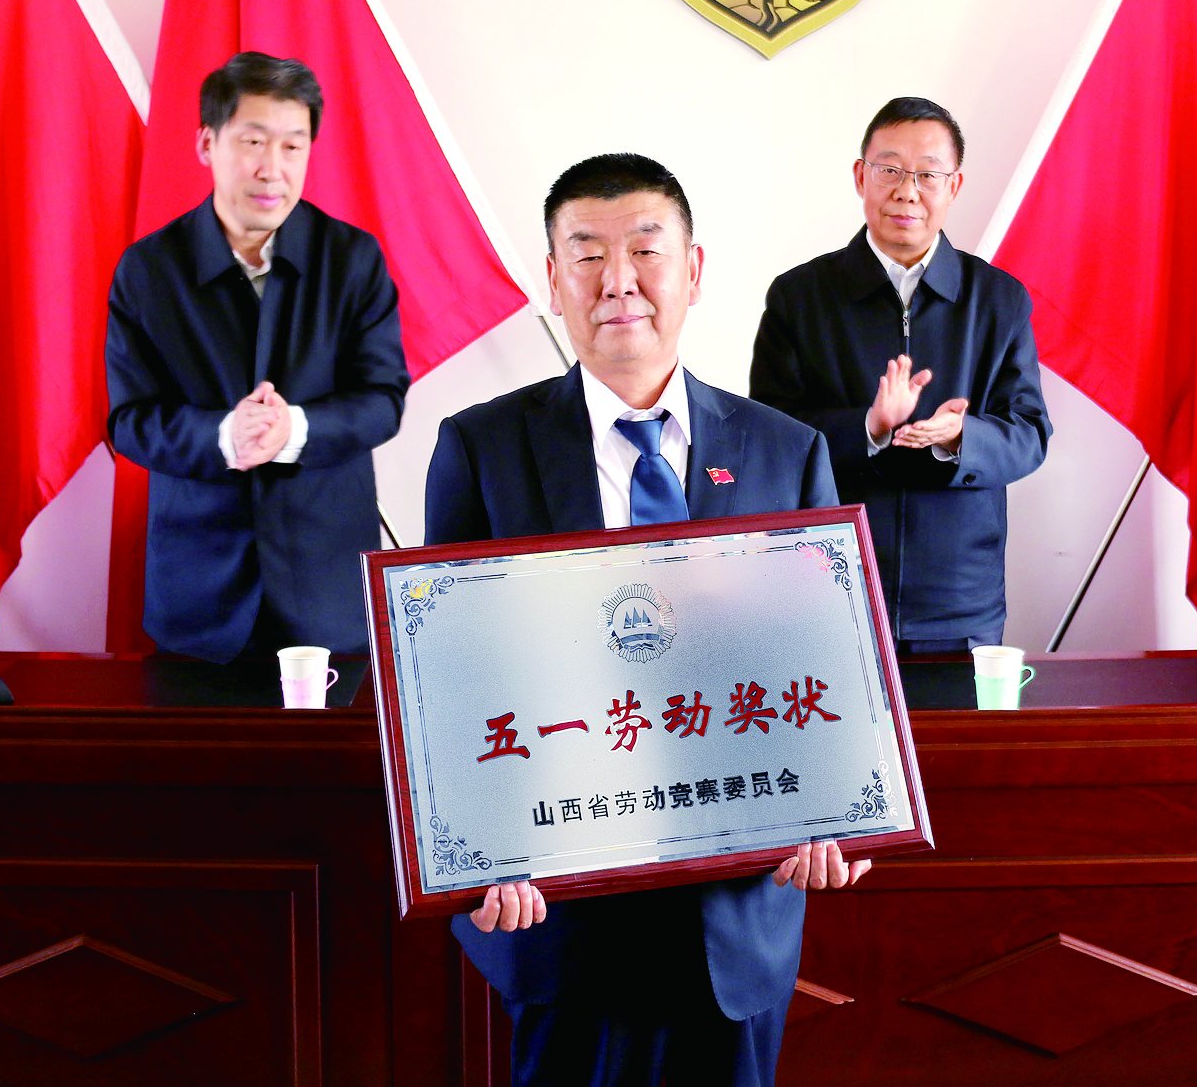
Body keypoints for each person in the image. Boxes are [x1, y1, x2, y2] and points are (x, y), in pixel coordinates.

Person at [427, 153, 865, 1087]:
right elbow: (451, 678)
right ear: (554, 280)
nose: (617, 280)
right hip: (556, 913)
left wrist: (838, 811)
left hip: (733, 917)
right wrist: (481, 844)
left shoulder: (785, 451)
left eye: (645, 250)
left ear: (693, 271)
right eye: (587, 254)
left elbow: (825, 668)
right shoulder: (480, 447)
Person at [105, 52, 408, 663]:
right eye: (253, 141)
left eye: (293, 146)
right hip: (198, 596)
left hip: (327, 591)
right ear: (207, 143)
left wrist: (292, 429)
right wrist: (225, 435)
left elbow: (383, 401)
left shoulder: (352, 260)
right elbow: (130, 421)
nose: (273, 168)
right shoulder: (149, 269)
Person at [749, 98, 1049, 651]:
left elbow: (1029, 435)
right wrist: (868, 428)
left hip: (960, 600)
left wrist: (961, 437)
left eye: (928, 175)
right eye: (889, 169)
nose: (907, 191)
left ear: (954, 186)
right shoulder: (799, 298)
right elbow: (769, 440)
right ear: (860, 176)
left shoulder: (999, 300)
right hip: (830, 585)